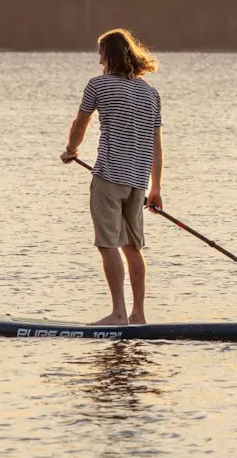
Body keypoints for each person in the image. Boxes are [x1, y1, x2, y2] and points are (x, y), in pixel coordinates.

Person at [60, 28, 164, 325]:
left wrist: (70, 150)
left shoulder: (98, 85)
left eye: (100, 52)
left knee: (107, 244)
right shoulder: (150, 93)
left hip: (108, 177)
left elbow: (81, 123)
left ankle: (118, 313)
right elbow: (156, 144)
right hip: (138, 182)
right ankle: (138, 315)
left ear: (108, 54)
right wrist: (156, 187)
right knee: (132, 248)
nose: (98, 58)